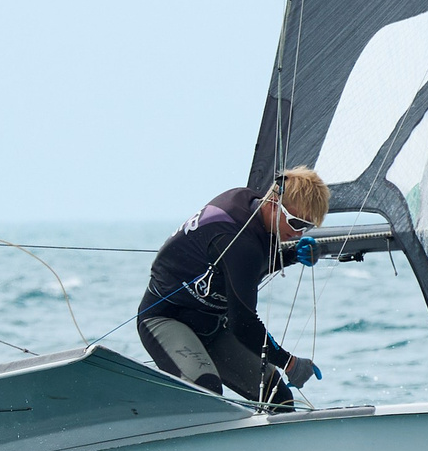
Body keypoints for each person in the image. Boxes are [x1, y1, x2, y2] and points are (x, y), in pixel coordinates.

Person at [138, 168, 328, 407]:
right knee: (207, 390)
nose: (299, 233)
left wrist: (290, 255)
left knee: (277, 399)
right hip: (166, 320)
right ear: (272, 202)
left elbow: (240, 267)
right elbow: (244, 323)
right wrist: (289, 362)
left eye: (307, 227)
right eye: (296, 222)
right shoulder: (237, 239)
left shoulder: (250, 207)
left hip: (214, 327)